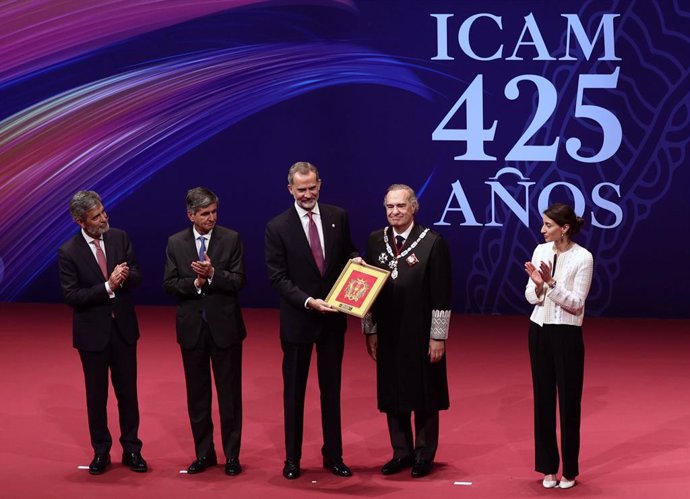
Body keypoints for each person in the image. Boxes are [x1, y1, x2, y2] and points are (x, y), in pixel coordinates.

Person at [264, 161, 358, 480]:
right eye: (301, 189)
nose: (307, 194)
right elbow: (277, 278)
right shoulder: (277, 227)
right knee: (295, 393)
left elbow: (348, 254)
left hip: (333, 321)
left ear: (320, 184)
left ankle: (334, 455)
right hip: (298, 321)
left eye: (312, 187)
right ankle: (293, 459)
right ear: (290, 189)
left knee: (331, 391)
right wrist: (307, 301)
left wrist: (356, 264)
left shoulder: (338, 216)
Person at [362, 184, 452, 478]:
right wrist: (370, 330)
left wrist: (438, 336)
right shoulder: (376, 241)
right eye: (389, 206)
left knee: (424, 393)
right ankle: (401, 451)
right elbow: (368, 290)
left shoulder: (432, 242)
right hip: (388, 332)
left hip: (420, 333)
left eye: (400, 206)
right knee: (393, 392)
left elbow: (442, 294)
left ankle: (424, 454)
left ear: (414, 207)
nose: (394, 212)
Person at [57, 190, 147, 475]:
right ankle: (101, 451)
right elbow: (73, 296)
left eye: (103, 212)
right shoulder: (68, 252)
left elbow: (137, 275)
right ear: (79, 221)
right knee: (96, 397)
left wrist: (124, 277)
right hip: (92, 335)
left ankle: (132, 450)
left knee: (127, 394)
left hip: (123, 330)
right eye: (96, 217)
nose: (103, 219)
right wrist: (108, 286)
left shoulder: (119, 237)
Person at [163, 187, 247, 476]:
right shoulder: (175, 243)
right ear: (191, 215)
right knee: (197, 396)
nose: (211, 217)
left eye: (214, 212)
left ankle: (232, 456)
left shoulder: (231, 238)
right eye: (205, 213)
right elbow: (170, 284)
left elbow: (238, 280)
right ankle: (204, 454)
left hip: (225, 328)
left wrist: (212, 274)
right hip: (192, 330)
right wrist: (196, 283)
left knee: (229, 396)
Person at [523, 203, 593, 490]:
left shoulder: (583, 258)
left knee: (568, 403)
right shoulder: (540, 251)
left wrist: (550, 284)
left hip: (567, 336)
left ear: (564, 228)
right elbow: (530, 296)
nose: (542, 230)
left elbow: (576, 304)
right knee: (542, 401)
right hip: (538, 331)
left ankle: (570, 470)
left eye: (548, 225)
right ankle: (548, 467)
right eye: (543, 224)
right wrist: (539, 286)